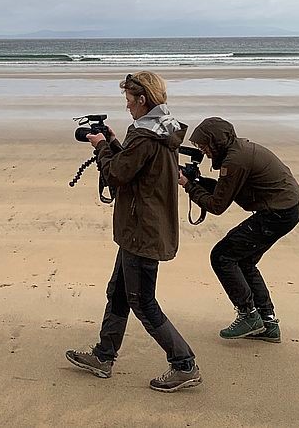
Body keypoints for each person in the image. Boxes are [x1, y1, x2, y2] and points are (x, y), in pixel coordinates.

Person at [66, 72, 202, 393]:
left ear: (142, 99)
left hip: (143, 228)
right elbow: (134, 165)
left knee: (142, 301)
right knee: (118, 292)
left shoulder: (144, 135)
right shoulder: (162, 128)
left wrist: (101, 146)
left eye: (129, 100)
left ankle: (184, 364)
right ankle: (104, 355)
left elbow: (116, 173)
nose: (126, 106)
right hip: (144, 225)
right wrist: (114, 142)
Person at [178, 117, 299, 343]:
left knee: (222, 256)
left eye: (205, 145)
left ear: (216, 142)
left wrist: (188, 186)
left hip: (276, 214)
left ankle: (248, 315)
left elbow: (217, 205)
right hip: (286, 210)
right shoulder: (238, 150)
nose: (203, 151)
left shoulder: (235, 161)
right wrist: (198, 181)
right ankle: (268, 323)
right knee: (244, 262)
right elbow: (225, 190)